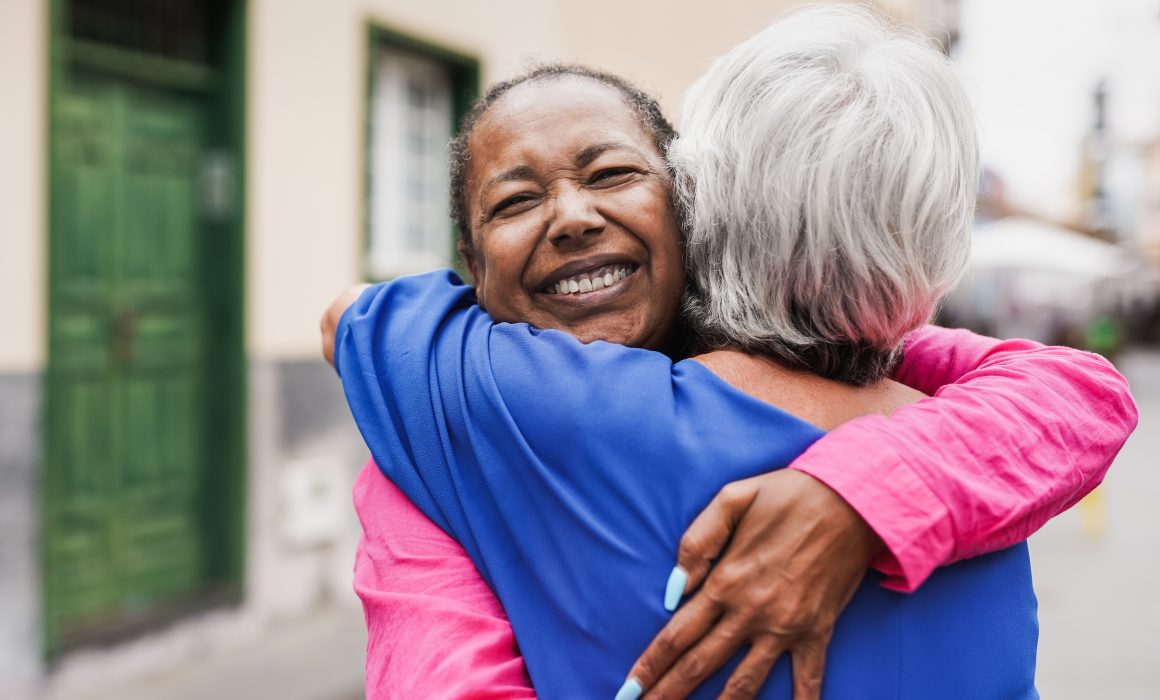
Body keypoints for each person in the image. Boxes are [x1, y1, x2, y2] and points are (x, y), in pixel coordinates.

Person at [323, 8, 1138, 698]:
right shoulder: (984, 485)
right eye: (516, 200)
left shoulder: (498, 413)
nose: (571, 217)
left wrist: (862, 494)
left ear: (694, 203)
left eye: (611, 172)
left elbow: (356, 323)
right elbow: (1075, 390)